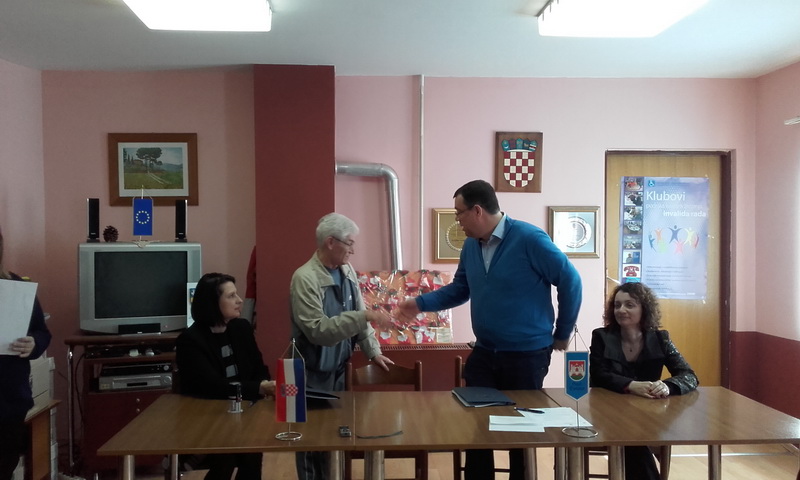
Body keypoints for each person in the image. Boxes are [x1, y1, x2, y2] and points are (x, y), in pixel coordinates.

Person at [397, 180, 582, 480]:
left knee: (522, 433)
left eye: (459, 213)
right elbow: (460, 289)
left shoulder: (529, 239)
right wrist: (419, 303)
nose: (457, 221)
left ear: (477, 211)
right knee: (478, 427)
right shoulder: (471, 246)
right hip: (484, 352)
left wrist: (562, 332)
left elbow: (570, 280)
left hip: (526, 355)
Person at [289, 212, 394, 480]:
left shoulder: (346, 271)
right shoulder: (304, 278)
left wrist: (373, 351)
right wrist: (363, 316)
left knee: (335, 436)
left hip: (338, 370)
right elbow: (318, 331)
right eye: (350, 243)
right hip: (308, 373)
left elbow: (359, 313)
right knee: (310, 441)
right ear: (330, 242)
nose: (353, 250)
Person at [590, 282, 699, 480]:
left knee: (635, 437)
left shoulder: (660, 338)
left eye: (629, 305)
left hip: (649, 414)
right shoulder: (601, 336)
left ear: (644, 309)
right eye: (617, 305)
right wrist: (630, 385)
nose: (621, 310)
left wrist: (667, 386)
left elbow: (689, 375)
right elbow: (598, 375)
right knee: (632, 437)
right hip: (608, 412)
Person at [176, 272, 275, 480]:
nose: (239, 301)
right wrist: (259, 388)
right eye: (231, 296)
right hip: (207, 418)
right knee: (231, 452)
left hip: (244, 414)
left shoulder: (242, 328)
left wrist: (264, 384)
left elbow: (259, 369)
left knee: (250, 448)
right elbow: (212, 386)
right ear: (213, 303)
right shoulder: (190, 340)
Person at [0, 226, 52, 480]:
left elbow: (42, 332)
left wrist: (33, 343)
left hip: (9, 400)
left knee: (4, 466)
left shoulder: (15, 286)